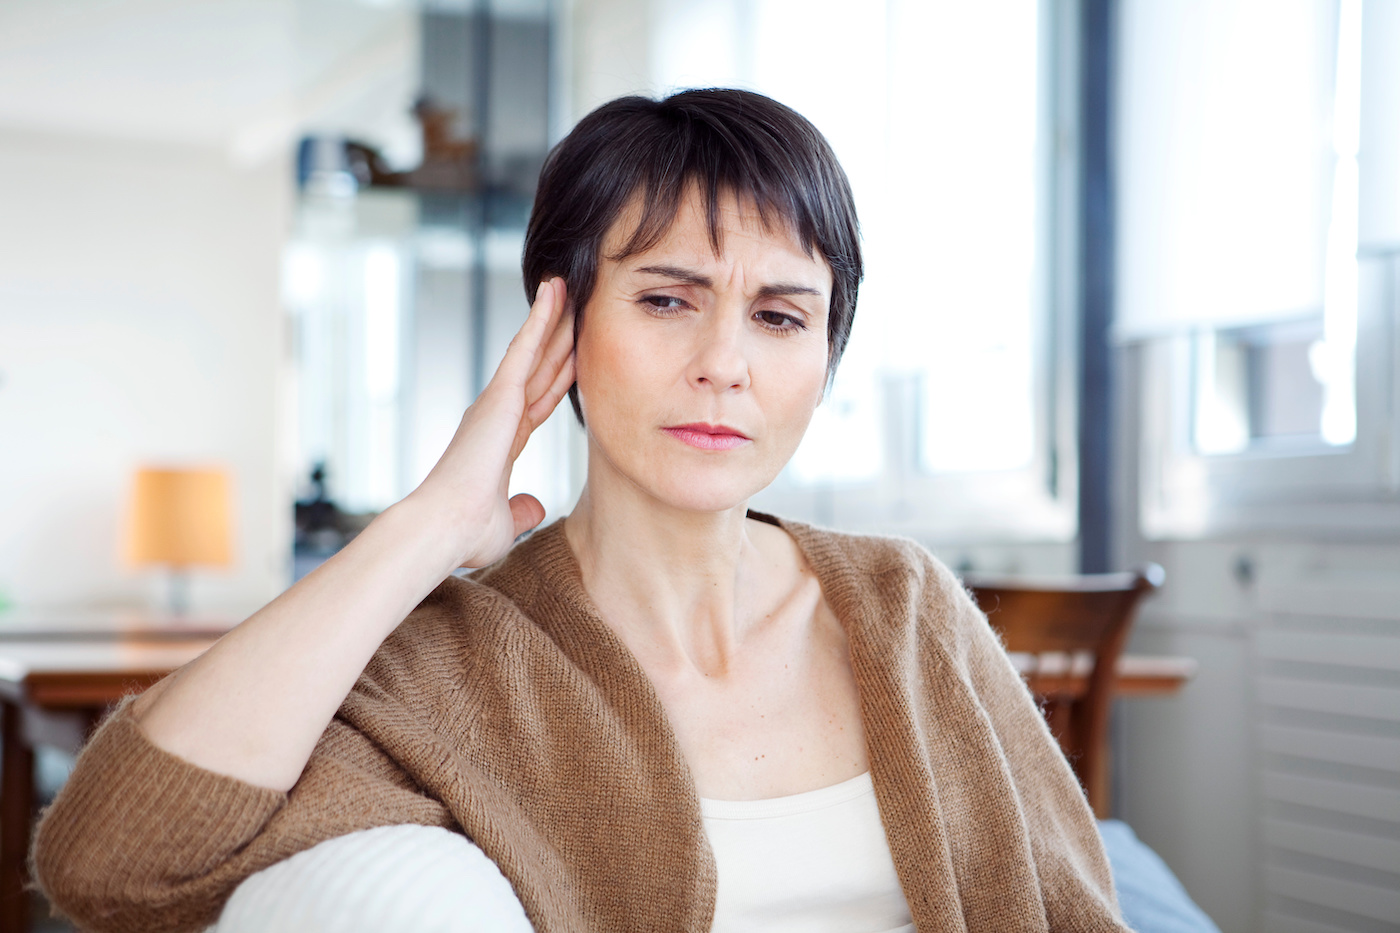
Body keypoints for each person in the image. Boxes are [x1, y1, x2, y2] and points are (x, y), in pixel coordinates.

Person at [33, 89, 1130, 933]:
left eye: (780, 317)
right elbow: (111, 864)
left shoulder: (904, 604)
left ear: (826, 356)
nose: (722, 366)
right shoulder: (453, 666)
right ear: (559, 326)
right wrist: (427, 525)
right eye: (665, 300)